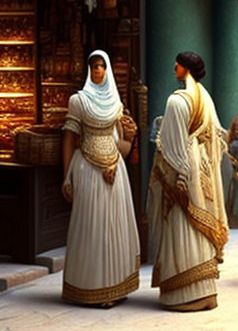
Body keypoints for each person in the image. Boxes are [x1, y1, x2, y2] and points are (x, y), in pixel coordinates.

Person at [147, 52, 227, 311]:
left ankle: (184, 293)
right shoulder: (205, 97)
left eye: (178, 64)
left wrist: (180, 175)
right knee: (200, 220)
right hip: (201, 162)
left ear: (185, 69)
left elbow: (171, 145)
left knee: (182, 220)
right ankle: (206, 291)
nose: (174, 67)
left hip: (184, 166)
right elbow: (216, 136)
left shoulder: (177, 101)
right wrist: (204, 165)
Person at [61, 49, 140, 307]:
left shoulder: (117, 104)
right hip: (86, 169)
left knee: (113, 226)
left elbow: (124, 148)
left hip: (115, 172)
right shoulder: (78, 101)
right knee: (91, 227)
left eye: (102, 66)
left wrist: (130, 137)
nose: (97, 70)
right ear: (88, 69)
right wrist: (66, 177)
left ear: (107, 70)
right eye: (93, 66)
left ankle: (115, 288)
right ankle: (89, 289)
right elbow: (69, 140)